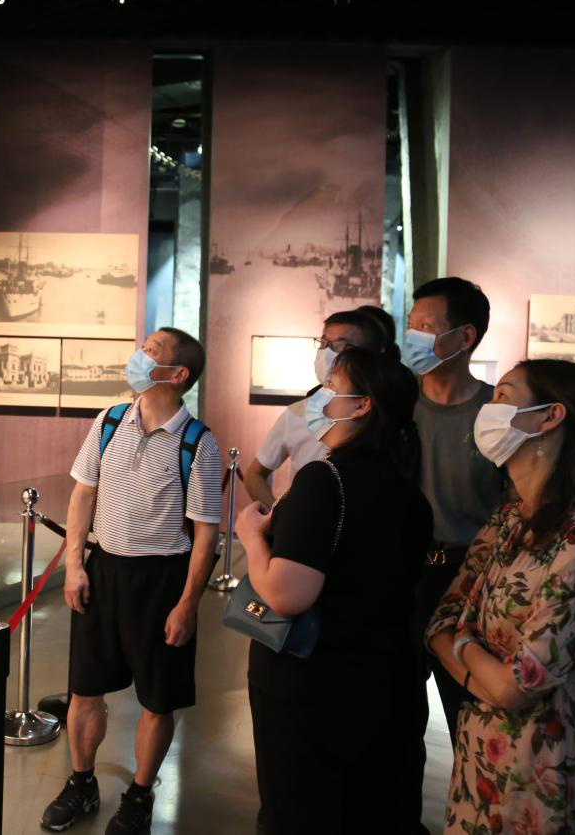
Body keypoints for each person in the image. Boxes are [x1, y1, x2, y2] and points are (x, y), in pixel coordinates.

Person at [426, 359, 575, 833]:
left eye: (503, 395)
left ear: (550, 416)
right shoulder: (510, 517)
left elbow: (513, 688)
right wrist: (479, 664)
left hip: (551, 783)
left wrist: (462, 646)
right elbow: (440, 621)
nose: (488, 408)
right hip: (484, 766)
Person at [236, 348, 432, 834]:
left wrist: (251, 537)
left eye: (332, 387)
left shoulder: (324, 479)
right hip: (381, 677)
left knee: (299, 812)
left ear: (362, 405)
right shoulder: (407, 491)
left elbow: (286, 594)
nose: (318, 398)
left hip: (311, 685)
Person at [41, 328, 221, 835]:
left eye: (151, 350)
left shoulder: (198, 443)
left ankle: (139, 796)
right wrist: (75, 566)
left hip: (161, 581)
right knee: (84, 690)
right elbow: (83, 495)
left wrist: (188, 604)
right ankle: (82, 782)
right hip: (104, 572)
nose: (138, 356)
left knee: (157, 700)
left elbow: (206, 535)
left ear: (178, 374)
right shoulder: (110, 420)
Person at [402, 277, 505, 829]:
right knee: (395, 718)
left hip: (470, 583)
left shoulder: (497, 413)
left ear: (464, 337)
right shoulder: (397, 407)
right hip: (400, 578)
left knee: (472, 716)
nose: (412, 335)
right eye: (411, 323)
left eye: (425, 326)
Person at [244, 308, 395, 506]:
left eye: (340, 346)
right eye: (324, 343)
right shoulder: (298, 412)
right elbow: (255, 473)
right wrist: (278, 514)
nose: (327, 353)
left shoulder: (383, 420)